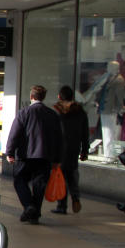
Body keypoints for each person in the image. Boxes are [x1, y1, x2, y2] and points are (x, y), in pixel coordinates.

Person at [6, 85, 62, 225]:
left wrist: (10, 152)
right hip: (45, 156)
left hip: (26, 155)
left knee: (19, 180)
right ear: (43, 97)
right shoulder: (52, 114)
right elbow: (59, 138)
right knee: (39, 185)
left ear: (31, 97)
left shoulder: (24, 113)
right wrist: (57, 158)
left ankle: (29, 206)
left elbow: (15, 134)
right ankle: (34, 213)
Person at [52, 85, 89, 214]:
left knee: (61, 177)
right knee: (72, 175)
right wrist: (85, 150)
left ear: (59, 97)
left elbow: (52, 132)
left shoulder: (57, 111)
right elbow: (85, 133)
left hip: (60, 148)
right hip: (74, 148)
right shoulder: (80, 111)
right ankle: (75, 197)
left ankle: (62, 206)